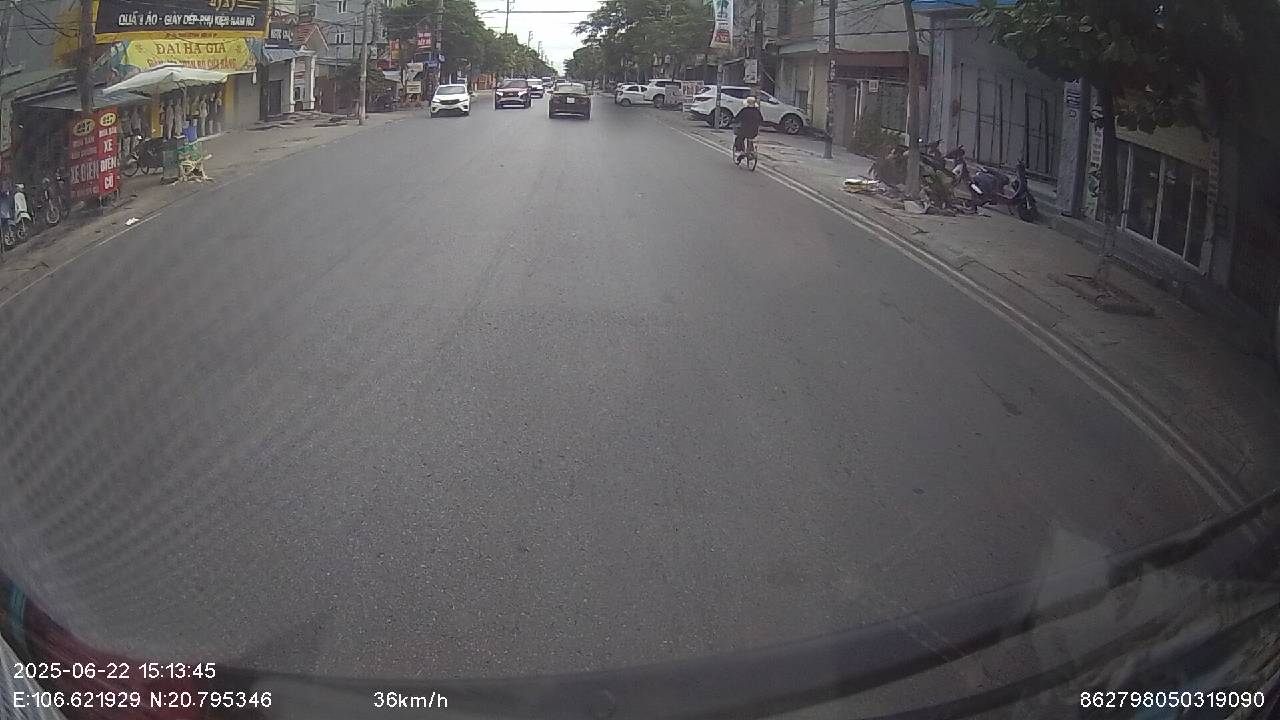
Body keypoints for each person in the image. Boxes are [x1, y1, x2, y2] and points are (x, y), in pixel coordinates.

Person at [734, 96, 764, 162]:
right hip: (754, 131)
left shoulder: (744, 110)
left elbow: (737, 118)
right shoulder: (757, 111)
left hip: (744, 130)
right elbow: (761, 120)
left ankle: (741, 151)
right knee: (751, 138)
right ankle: (752, 151)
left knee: (739, 138)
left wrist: (734, 121)